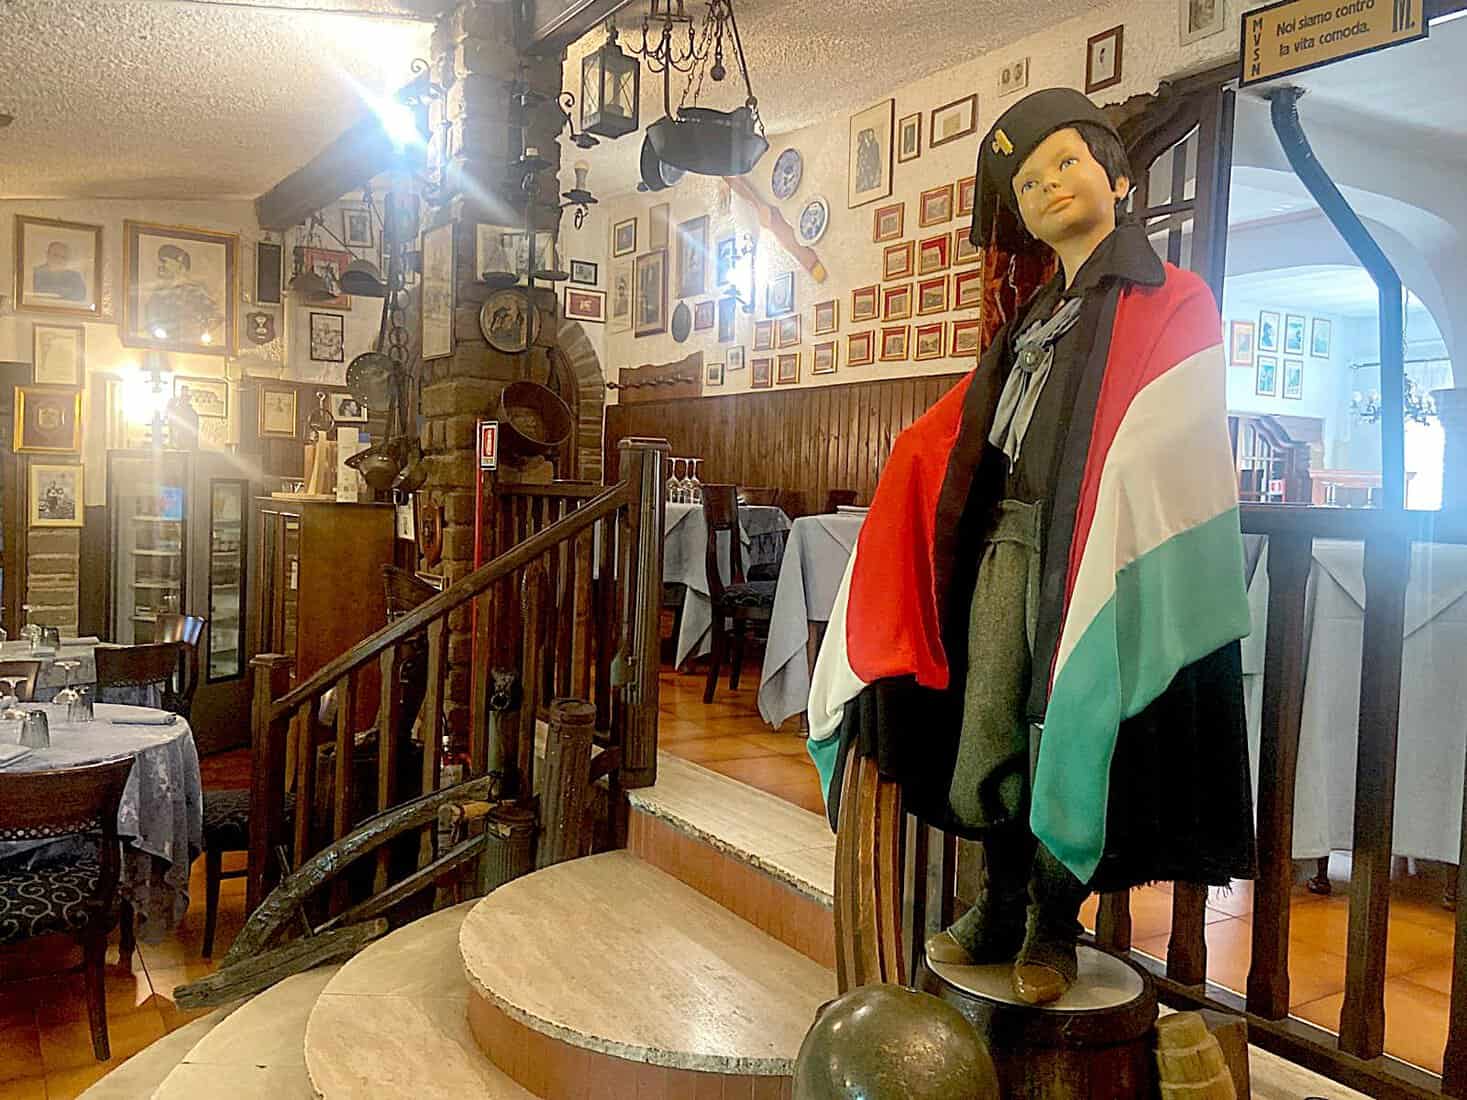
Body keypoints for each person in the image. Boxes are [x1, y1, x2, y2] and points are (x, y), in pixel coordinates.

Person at [807, 88, 1255, 1006]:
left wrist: (1118, 496)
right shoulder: (1030, 318)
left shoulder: (1173, 299)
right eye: (1026, 178)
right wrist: (908, 468)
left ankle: (1055, 916)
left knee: (1074, 725)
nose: (1047, 184)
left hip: (1096, 556)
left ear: (1118, 178)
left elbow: (1176, 431)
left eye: (1067, 161)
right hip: (1006, 551)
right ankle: (998, 896)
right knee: (991, 726)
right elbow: (963, 429)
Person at [143, 244, 222, 344]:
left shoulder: (195, 291)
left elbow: (215, 316)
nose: (161, 266)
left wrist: (199, 332)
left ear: (179, 264)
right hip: (165, 345)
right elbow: (150, 318)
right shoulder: (158, 294)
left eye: (165, 262)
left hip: (192, 346)